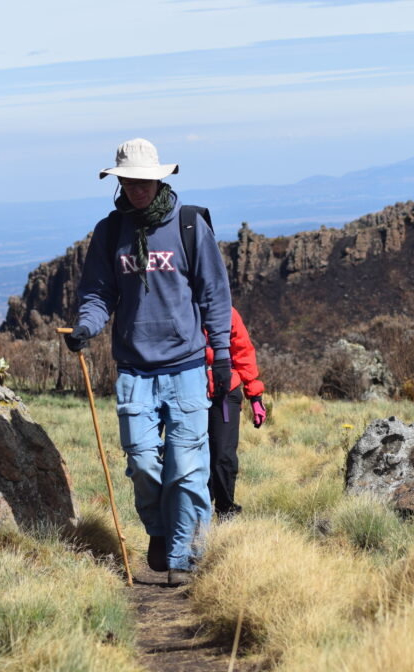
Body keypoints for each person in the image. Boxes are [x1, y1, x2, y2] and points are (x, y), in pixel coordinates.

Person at [62, 138, 233, 586]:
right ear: (118, 181)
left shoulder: (190, 226)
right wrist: (86, 327)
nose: (136, 188)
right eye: (128, 180)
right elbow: (99, 294)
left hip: (188, 367)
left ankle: (186, 559)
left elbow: (215, 295)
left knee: (188, 467)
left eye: (144, 180)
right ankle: (159, 531)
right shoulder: (109, 232)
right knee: (142, 463)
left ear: (159, 179)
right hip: (135, 370)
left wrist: (223, 358)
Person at [206, 307, 266, 519]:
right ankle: (197, 515)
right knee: (193, 458)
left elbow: (243, 352)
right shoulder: (181, 306)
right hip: (188, 392)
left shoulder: (226, 312)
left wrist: (255, 396)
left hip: (225, 393)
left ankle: (225, 512)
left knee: (223, 455)